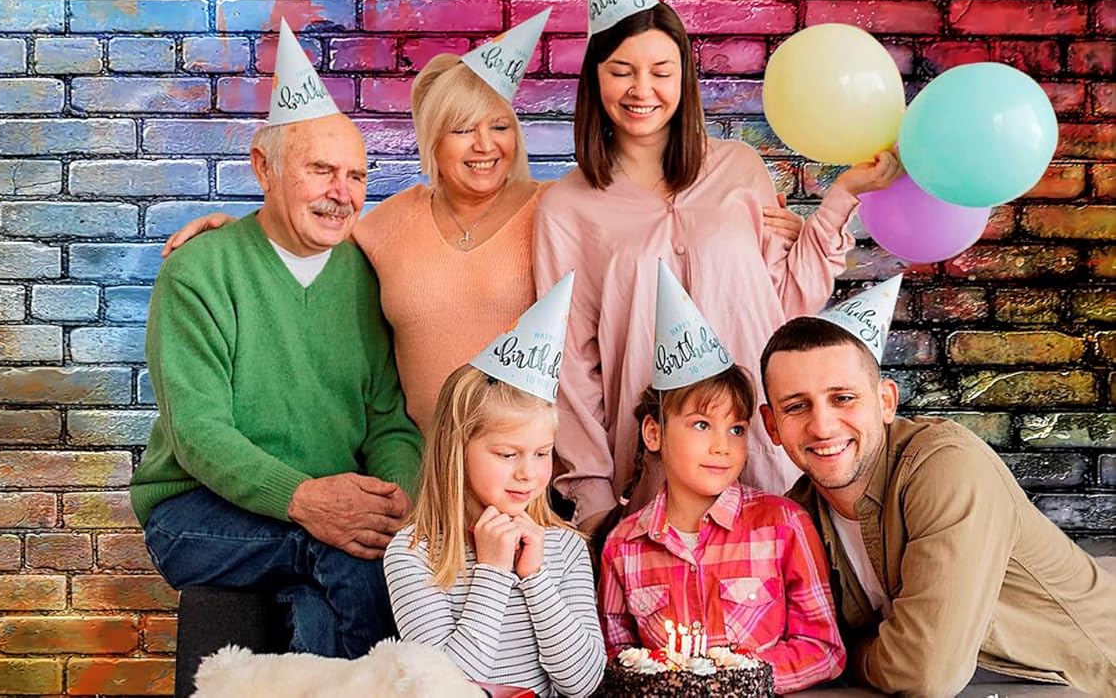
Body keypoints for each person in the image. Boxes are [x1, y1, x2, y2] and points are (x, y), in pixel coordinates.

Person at [535, 0, 902, 533]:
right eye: (622, 70)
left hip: (760, 446)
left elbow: (783, 306)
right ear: (595, 79)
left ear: (684, 77)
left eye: (661, 70)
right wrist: (592, 491)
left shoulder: (739, 167)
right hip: (651, 465)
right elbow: (571, 364)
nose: (642, 90)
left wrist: (841, 198)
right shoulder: (565, 207)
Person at [131, 19, 423, 659]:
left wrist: (393, 501)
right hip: (195, 511)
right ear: (265, 167)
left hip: (328, 503)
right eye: (321, 170)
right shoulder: (200, 272)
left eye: (356, 176)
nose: (341, 193)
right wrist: (306, 500)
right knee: (345, 551)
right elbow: (199, 434)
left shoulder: (366, 274)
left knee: (341, 580)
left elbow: (390, 422)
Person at [161, 11, 558, 430]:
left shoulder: (553, 210)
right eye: (462, 129)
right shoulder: (392, 221)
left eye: (500, 127)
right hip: (423, 459)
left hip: (527, 455)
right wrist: (241, 234)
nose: (485, 145)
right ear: (433, 139)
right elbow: (306, 240)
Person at [760, 276, 1116, 697]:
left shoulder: (946, 465)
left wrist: (844, 656)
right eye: (797, 406)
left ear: (886, 402)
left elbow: (924, 671)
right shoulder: (796, 514)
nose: (822, 426)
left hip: (1077, 681)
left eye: (843, 398)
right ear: (772, 425)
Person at [599, 261, 845, 693]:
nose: (722, 446)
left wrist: (733, 681)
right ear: (654, 433)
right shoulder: (623, 546)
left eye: (736, 429)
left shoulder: (783, 526)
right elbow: (615, 657)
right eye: (701, 425)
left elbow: (824, 648)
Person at [385, 274, 606, 698]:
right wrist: (492, 571)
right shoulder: (414, 555)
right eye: (507, 455)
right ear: (457, 450)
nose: (528, 473)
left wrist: (535, 577)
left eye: (542, 454)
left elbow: (582, 684)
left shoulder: (564, 547)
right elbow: (445, 688)